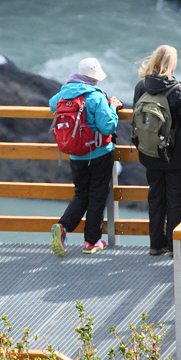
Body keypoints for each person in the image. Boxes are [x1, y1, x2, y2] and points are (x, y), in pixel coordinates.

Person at [49, 57, 121, 256]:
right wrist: (113, 108)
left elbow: (52, 104)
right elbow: (108, 126)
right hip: (99, 154)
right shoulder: (96, 96)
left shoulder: (64, 93)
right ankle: (91, 242)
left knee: (81, 193)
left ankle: (62, 227)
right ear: (95, 77)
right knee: (97, 195)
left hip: (76, 154)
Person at [132, 45, 181, 256]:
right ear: (172, 64)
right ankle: (176, 247)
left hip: (150, 153)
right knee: (178, 198)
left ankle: (156, 244)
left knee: (156, 197)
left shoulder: (141, 87)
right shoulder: (177, 91)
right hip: (176, 156)